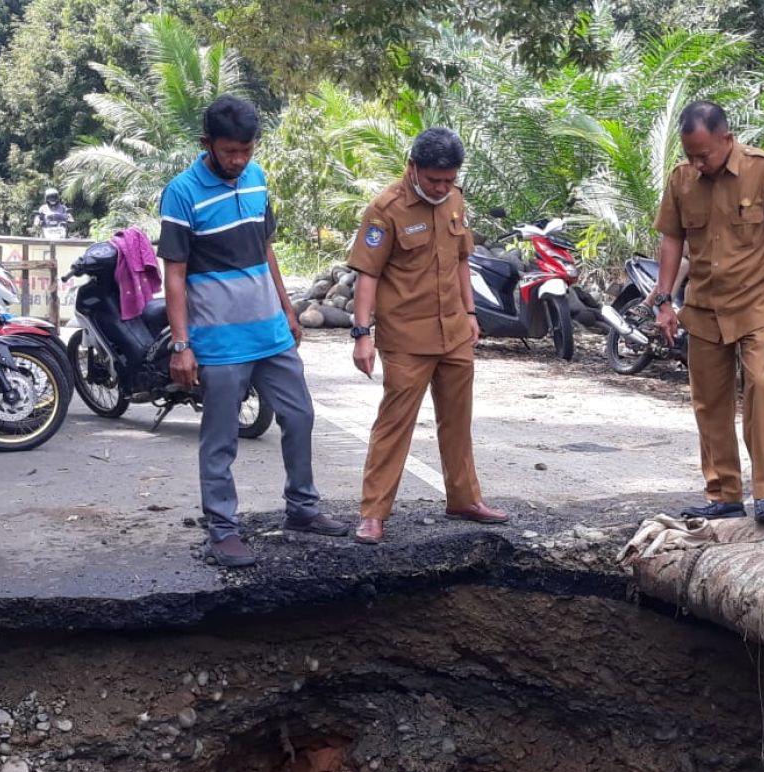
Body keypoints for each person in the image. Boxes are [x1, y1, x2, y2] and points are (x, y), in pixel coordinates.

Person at [157, 95, 348, 567]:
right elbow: (174, 275)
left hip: (270, 333)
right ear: (208, 144)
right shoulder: (181, 193)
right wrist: (182, 345)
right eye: (229, 152)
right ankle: (222, 530)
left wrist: (287, 308)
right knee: (220, 438)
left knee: (299, 416)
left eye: (246, 150)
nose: (239, 160)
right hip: (219, 342)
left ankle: (302, 508)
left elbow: (265, 250)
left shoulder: (257, 180)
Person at [633, 101, 764, 523]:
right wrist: (665, 301)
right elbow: (672, 240)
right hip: (704, 306)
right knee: (709, 402)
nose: (697, 162)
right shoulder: (682, 179)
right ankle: (724, 494)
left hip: (758, 303)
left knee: (762, 389)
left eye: (704, 154)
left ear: (727, 139)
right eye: (690, 154)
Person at [347, 126, 509, 545]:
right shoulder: (386, 209)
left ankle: (464, 498)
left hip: (454, 329)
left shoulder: (454, 199)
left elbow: (460, 262)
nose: (442, 187)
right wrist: (362, 334)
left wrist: (471, 313)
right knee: (394, 424)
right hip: (405, 337)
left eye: (449, 179)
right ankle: (373, 513)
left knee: (457, 420)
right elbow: (368, 274)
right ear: (413, 167)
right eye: (435, 179)